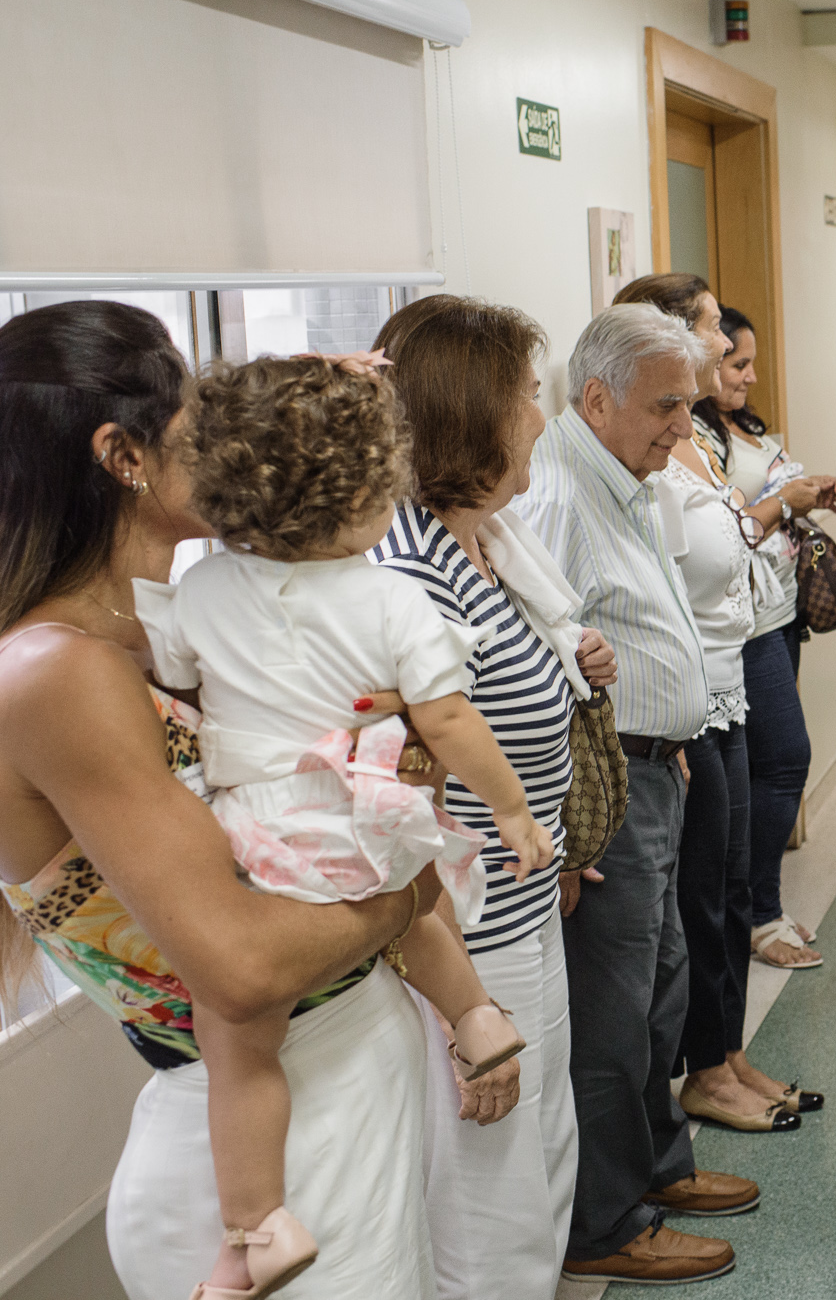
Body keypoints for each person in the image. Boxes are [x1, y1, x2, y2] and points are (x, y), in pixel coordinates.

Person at [0, 301, 435, 1300]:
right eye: (205, 416)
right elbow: (242, 967)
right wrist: (410, 890)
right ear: (124, 455)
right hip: (253, 1163)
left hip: (339, 1086)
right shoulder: (57, 671)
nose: (239, 443)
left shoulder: (167, 620)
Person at [138, 354, 555, 1299]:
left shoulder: (201, 588)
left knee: (236, 1044)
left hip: (262, 833)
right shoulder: (391, 597)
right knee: (415, 906)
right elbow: (449, 721)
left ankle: (256, 1222)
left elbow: (172, 680)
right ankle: (477, 1018)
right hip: (366, 813)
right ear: (373, 491)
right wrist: (513, 809)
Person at [369, 294, 618, 1300]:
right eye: (525, 394)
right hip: (462, 936)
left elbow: (502, 713)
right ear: (471, 415)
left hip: (521, 904)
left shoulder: (486, 543)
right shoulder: (409, 571)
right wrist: (454, 996)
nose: (539, 416)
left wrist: (549, 833)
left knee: (539, 1164)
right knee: (491, 1211)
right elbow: (393, 796)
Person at [512, 303, 755, 1287]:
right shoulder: (556, 495)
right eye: (666, 408)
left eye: (691, 407)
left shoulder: (625, 474)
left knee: (659, 982)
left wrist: (670, 735)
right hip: (605, 794)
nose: (683, 430)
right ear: (597, 397)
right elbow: (534, 668)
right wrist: (581, 814)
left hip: (655, 762)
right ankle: (607, 1219)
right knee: (613, 1011)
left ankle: (658, 1168)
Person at [646, 294, 823, 1131]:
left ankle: (730, 1054)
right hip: (693, 698)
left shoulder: (705, 440)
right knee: (704, 899)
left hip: (729, 681)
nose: (727, 342)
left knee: (727, 884)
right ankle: (706, 1071)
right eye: (714, 325)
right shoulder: (652, 456)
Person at [700, 304, 836, 971]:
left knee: (765, 767)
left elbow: (770, 490)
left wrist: (804, 488)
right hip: (743, 628)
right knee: (785, 760)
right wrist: (787, 501)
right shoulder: (688, 445)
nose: (751, 376)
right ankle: (758, 914)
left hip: (778, 611)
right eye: (737, 363)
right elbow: (731, 529)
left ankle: (762, 907)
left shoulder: (737, 426)